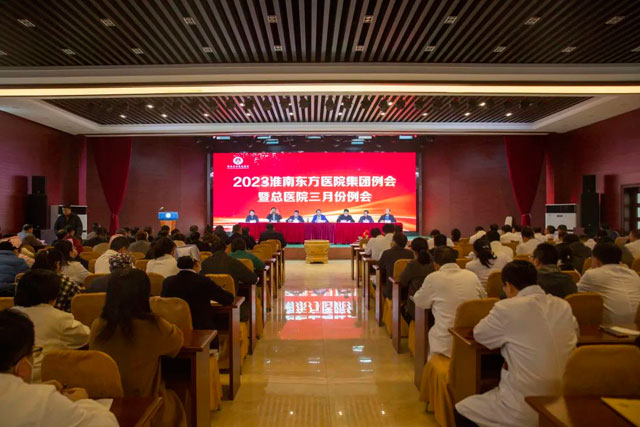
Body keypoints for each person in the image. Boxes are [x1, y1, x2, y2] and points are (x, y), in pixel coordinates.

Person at [455, 260, 578, 427]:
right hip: (564, 405)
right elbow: (574, 335)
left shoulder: (507, 308)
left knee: (462, 409)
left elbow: (480, 334)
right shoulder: (563, 305)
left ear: (509, 286)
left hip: (523, 407)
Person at [90, 269, 187, 427]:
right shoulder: (154, 327)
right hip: (147, 403)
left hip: (106, 405)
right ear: (145, 295)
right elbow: (177, 341)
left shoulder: (98, 326)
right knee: (181, 393)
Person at [0, 309, 118, 426]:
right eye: (34, 353)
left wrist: (34, 389)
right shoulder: (42, 402)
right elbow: (107, 424)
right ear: (23, 367)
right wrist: (82, 402)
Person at [13, 270, 90, 382]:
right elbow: (86, 336)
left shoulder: (8, 316)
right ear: (53, 296)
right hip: (40, 380)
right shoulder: (60, 319)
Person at [413, 246, 486, 358]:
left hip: (445, 343)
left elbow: (419, 302)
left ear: (436, 265)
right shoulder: (472, 276)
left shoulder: (433, 278)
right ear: (455, 261)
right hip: (471, 341)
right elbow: (483, 298)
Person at [162, 256, 234, 332]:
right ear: (196, 264)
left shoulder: (168, 281)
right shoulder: (203, 281)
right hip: (200, 328)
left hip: (174, 328)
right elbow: (228, 299)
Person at [577, 242, 640, 324]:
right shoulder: (633, 274)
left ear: (596, 260)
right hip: (637, 325)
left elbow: (574, 295)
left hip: (613, 327)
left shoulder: (592, 274)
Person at [398, 237, 435, 322]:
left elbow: (403, 281)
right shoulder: (436, 263)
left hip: (416, 305)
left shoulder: (412, 264)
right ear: (427, 248)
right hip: (435, 305)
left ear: (413, 250)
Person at [379, 233, 414, 299]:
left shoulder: (387, 253)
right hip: (407, 291)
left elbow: (380, 267)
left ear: (395, 242)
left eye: (392, 240)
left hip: (391, 290)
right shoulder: (410, 253)